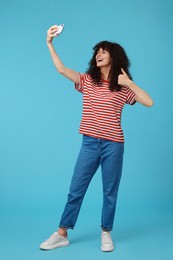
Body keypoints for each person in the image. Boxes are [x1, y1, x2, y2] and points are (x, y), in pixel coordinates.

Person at [40, 25, 154, 252]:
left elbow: (149, 101)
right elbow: (62, 70)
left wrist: (129, 83)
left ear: (114, 56)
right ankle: (62, 233)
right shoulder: (87, 81)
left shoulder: (122, 87)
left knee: (109, 191)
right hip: (90, 144)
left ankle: (106, 232)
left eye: (103, 51)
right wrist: (49, 44)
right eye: (97, 52)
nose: (98, 54)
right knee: (76, 189)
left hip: (114, 145)